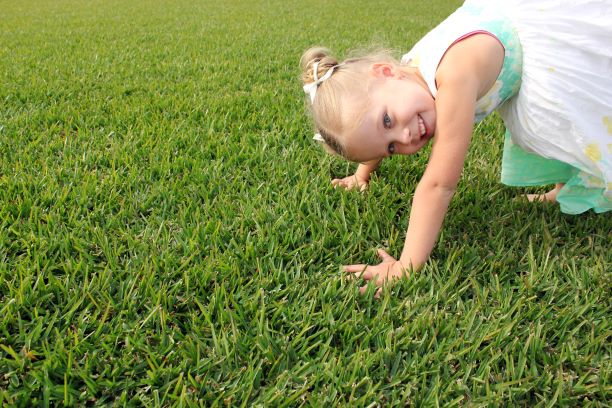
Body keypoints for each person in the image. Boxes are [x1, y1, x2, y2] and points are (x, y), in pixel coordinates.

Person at [299, 0, 612, 295]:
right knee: (551, 128)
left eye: (387, 120)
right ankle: (563, 188)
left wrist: (406, 265)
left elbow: (438, 184)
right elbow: (373, 134)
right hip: (515, 33)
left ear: (386, 71)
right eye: (391, 148)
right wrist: (361, 173)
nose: (406, 137)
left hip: (547, 48)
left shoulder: (453, 77)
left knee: (571, 112)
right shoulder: (404, 76)